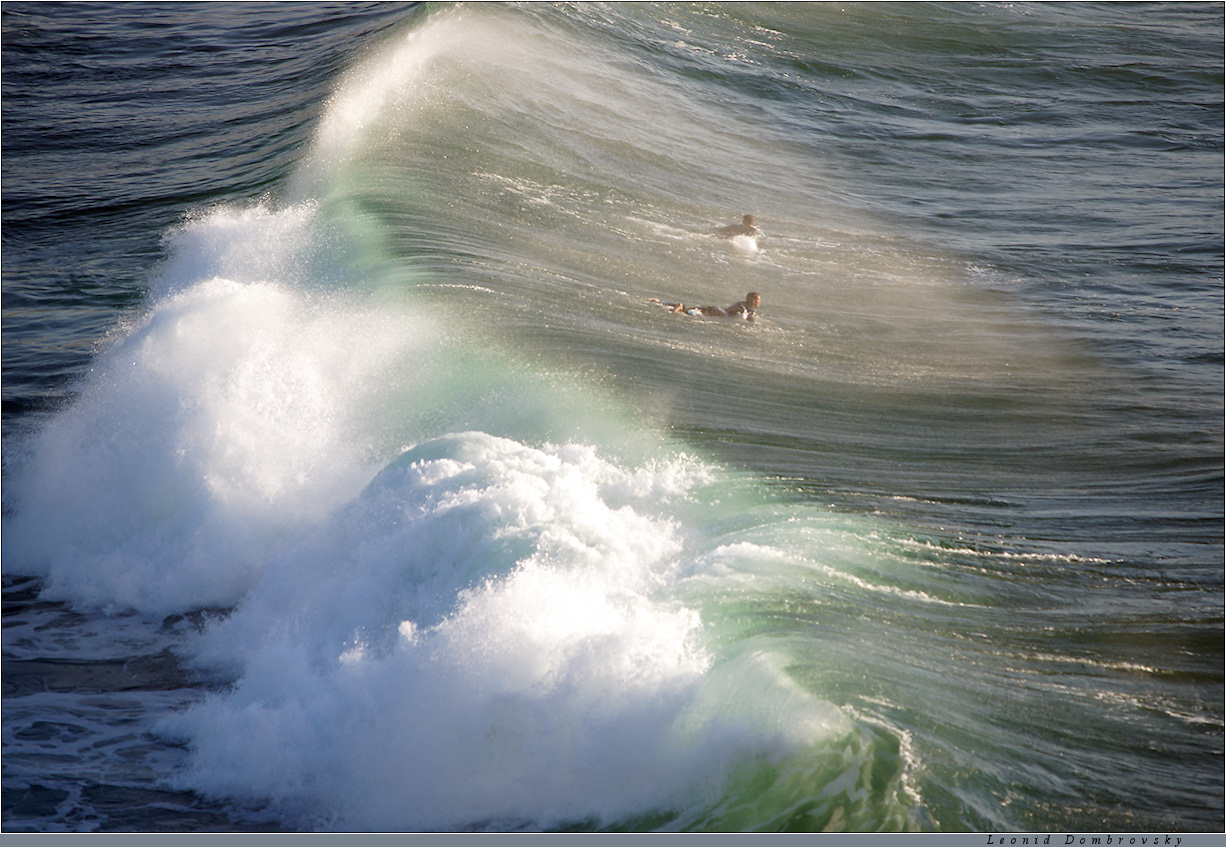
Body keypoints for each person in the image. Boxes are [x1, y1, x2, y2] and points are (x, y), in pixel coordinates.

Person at [651, 292, 761, 321]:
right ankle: (680, 307)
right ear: (752, 300)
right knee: (691, 313)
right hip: (720, 313)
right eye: (758, 300)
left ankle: (661, 302)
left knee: (693, 309)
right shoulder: (748, 310)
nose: (759, 302)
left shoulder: (741, 303)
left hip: (717, 309)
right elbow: (749, 321)